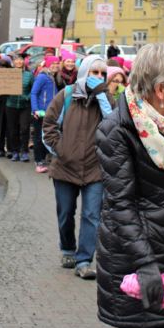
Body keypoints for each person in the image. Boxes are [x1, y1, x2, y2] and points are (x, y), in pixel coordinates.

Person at [95, 44, 164, 328]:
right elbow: (121, 205)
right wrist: (145, 265)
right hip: (135, 258)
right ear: (160, 89)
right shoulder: (116, 130)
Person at [43, 54, 113, 280]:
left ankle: (84, 260)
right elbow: (49, 124)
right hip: (65, 166)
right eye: (95, 72)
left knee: (92, 215)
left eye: (103, 73)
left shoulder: (107, 99)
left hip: (94, 168)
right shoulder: (67, 95)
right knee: (65, 213)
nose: (99, 77)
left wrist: (102, 97)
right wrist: (59, 149)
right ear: (84, 73)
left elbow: (115, 128)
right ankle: (67, 249)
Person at [30, 54, 59, 173]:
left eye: (57, 64)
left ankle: (44, 159)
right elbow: (33, 93)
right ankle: (39, 161)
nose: (55, 66)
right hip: (40, 113)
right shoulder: (42, 77)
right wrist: (35, 109)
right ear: (47, 64)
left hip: (50, 113)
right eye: (53, 64)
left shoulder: (52, 77)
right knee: (39, 138)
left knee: (47, 137)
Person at [5, 54, 34, 162]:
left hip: (24, 106)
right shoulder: (8, 75)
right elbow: (1, 86)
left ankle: (24, 152)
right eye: (16, 60)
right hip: (11, 105)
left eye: (20, 60)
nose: (18, 62)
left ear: (23, 62)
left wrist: (27, 97)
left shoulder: (29, 75)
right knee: (13, 130)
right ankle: (15, 152)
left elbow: (34, 90)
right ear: (13, 62)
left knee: (24, 129)